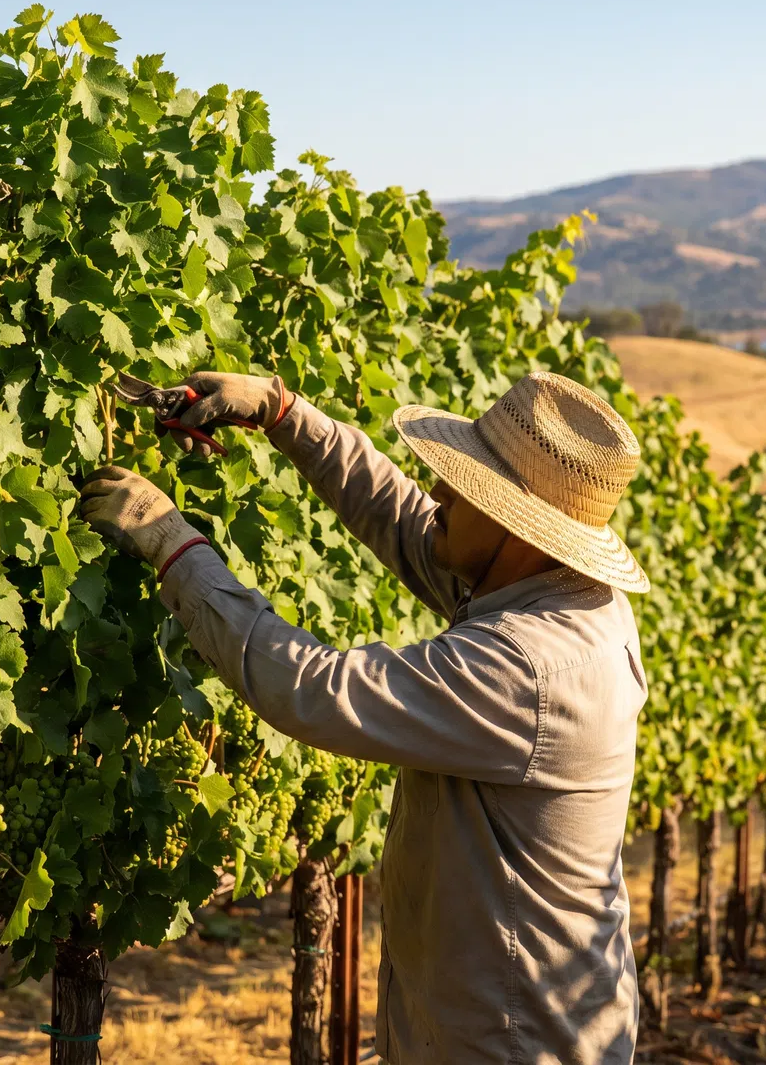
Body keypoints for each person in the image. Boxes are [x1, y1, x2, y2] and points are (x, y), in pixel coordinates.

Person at [78, 370, 651, 1065]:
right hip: (501, 1021)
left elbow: (313, 687)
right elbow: (410, 524)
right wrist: (282, 411)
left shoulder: (529, 669)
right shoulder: (556, 592)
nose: (439, 491)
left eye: (466, 484)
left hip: (514, 1043)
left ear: (515, 524)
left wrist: (171, 544)